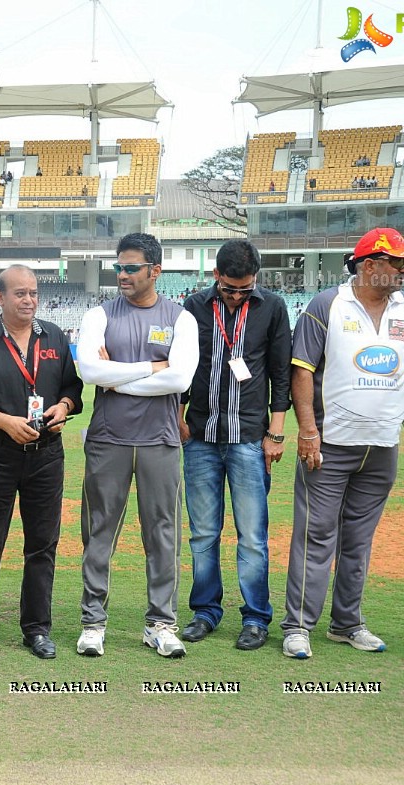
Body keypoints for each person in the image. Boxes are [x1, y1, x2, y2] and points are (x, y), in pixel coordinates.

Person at [281, 228, 404, 659]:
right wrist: (308, 431)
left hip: (383, 445)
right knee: (315, 536)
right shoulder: (326, 305)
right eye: (399, 262)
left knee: (359, 541)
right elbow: (302, 370)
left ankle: (347, 623)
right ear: (370, 264)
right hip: (330, 445)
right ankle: (298, 626)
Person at [75, 232, 199, 658]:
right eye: (119, 267)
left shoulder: (181, 318)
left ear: (155, 271)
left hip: (160, 440)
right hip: (107, 439)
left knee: (162, 534)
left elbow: (180, 380)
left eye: (132, 268)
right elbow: (89, 370)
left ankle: (160, 623)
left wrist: (120, 375)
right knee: (98, 532)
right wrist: (152, 366)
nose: (123, 275)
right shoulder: (99, 314)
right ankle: (93, 623)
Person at [0, 266, 83, 659]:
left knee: (42, 545)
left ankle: (37, 629)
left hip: (47, 457)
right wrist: (7, 423)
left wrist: (63, 407)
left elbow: (73, 388)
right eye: (19, 294)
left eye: (33, 293)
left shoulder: (56, 338)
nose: (29, 300)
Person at [178, 240, 291, 652]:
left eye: (246, 289)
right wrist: (178, 414)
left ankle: (256, 617)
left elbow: (281, 372)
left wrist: (276, 431)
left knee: (253, 537)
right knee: (203, 533)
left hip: (248, 438)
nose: (238, 296)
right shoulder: (193, 306)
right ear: (216, 278)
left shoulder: (273, 308)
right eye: (230, 289)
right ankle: (205, 612)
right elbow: (182, 365)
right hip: (200, 438)